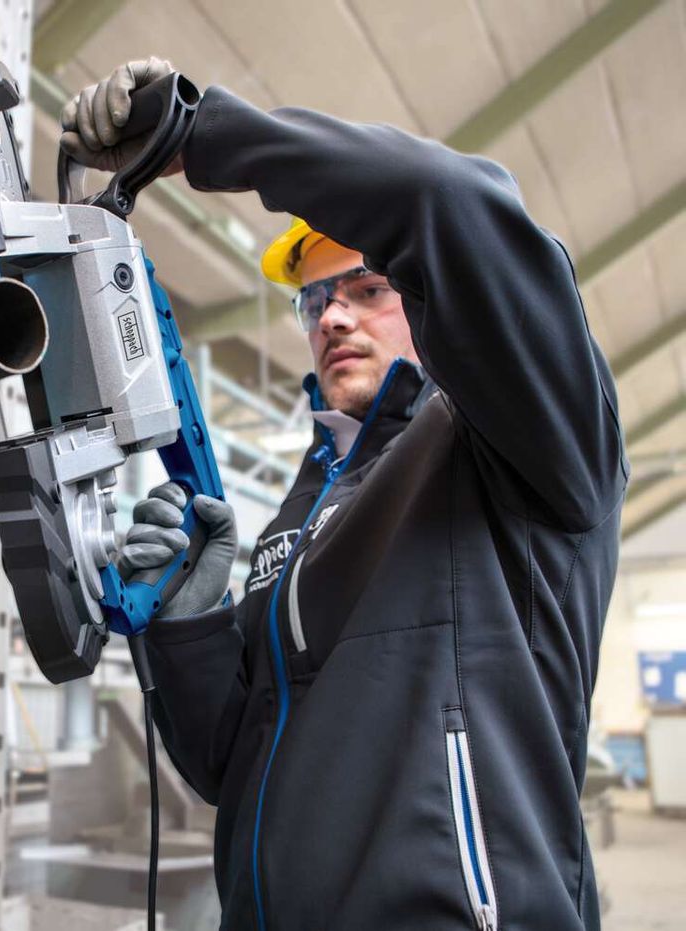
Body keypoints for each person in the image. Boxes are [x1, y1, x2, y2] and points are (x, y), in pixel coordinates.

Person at [62, 59, 627, 930]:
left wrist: (204, 134)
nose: (330, 317)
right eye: (315, 301)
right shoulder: (307, 498)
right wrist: (190, 624)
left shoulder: (522, 443)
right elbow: (228, 765)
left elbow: (444, 198)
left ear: (435, 297)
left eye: (367, 289)